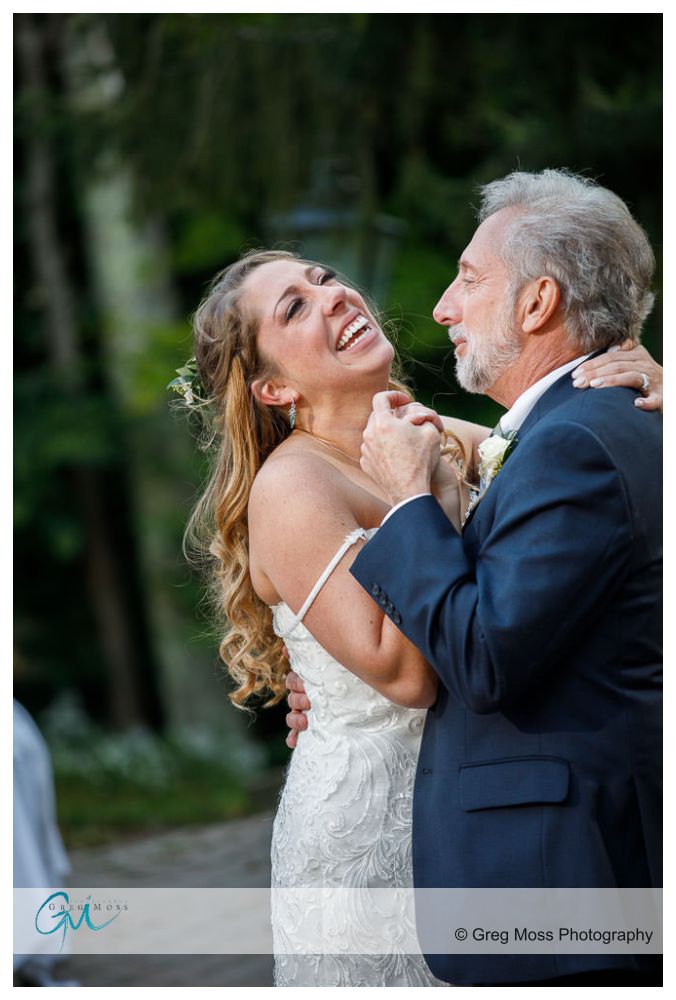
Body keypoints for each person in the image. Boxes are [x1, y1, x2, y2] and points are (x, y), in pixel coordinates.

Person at [181, 218, 661, 984]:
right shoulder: (295, 487)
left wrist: (644, 378)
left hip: (483, 812)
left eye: (326, 278)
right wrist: (420, 503)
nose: (333, 297)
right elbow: (405, 677)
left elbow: (573, 452)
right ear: (273, 388)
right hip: (372, 829)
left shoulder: (433, 432)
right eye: (296, 308)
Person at [340, 169, 661, 987]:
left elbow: (485, 656)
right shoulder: (601, 425)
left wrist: (411, 498)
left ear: (537, 303)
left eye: (469, 279)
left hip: (554, 877)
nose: (444, 307)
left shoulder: (574, 444)